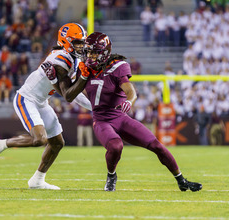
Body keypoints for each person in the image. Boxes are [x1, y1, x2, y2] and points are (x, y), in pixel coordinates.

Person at [46, 32, 202, 192]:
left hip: (120, 117)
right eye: (89, 52)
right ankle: (111, 175)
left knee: (157, 145)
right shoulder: (84, 69)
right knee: (116, 146)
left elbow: (130, 91)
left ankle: (181, 180)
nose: (90, 56)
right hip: (101, 120)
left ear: (105, 53)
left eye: (94, 52)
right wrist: (55, 81)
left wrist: (130, 101)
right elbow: (70, 95)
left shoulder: (117, 67)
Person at [0, 23, 92, 190]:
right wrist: (96, 107)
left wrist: (95, 106)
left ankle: (37, 180)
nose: (81, 46)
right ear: (66, 42)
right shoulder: (60, 61)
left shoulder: (72, 59)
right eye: (77, 42)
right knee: (40, 139)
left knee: (57, 143)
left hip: (41, 102)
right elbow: (69, 95)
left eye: (82, 42)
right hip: (26, 99)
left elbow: (73, 92)